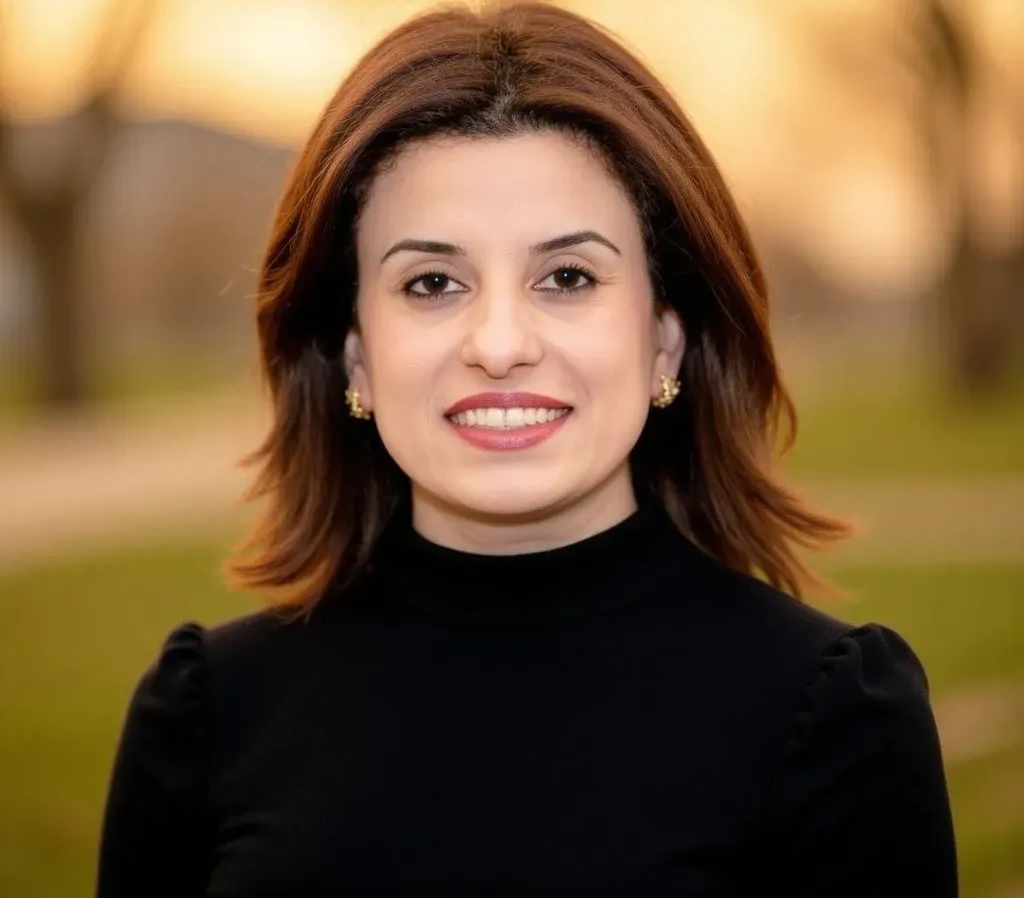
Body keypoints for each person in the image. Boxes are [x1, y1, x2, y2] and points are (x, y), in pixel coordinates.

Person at [96, 2, 958, 895]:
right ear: (356, 356)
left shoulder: (833, 715)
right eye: (432, 283)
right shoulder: (206, 714)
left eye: (568, 277)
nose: (500, 343)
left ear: (664, 341)